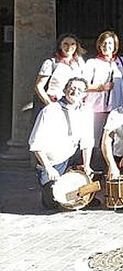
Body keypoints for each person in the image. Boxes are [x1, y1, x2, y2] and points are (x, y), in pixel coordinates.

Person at [29, 77, 94, 210]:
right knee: (51, 203)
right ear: (65, 90)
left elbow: (87, 141)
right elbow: (35, 144)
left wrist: (87, 165)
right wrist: (48, 167)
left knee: (98, 157)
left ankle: (86, 195)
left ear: (85, 94)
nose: (75, 91)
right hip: (53, 161)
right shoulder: (50, 111)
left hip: (73, 155)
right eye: (72, 88)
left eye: (80, 89)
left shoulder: (86, 111)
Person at [83, 31, 123, 168]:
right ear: (99, 45)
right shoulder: (92, 63)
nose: (107, 46)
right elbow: (82, 86)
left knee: (114, 139)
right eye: (104, 43)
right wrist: (100, 87)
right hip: (97, 109)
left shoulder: (120, 62)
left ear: (115, 46)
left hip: (116, 108)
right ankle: (96, 169)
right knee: (96, 140)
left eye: (110, 43)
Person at [35, 33, 87, 108]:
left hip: (74, 105)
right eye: (65, 44)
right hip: (56, 103)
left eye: (72, 44)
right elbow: (39, 86)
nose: (69, 47)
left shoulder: (80, 63)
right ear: (60, 45)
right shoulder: (51, 63)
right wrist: (50, 105)